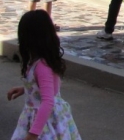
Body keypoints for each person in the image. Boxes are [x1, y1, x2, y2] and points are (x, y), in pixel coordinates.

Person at [7, 10, 81, 140]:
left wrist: (33, 134)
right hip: (41, 117)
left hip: (46, 123)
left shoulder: (42, 66)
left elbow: (47, 101)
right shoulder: (41, 60)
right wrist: (26, 89)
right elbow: (45, 88)